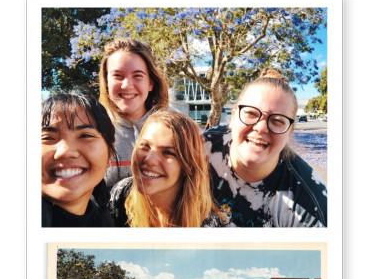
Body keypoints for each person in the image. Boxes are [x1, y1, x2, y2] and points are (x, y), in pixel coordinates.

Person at [204, 68, 327, 227]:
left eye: (277, 120)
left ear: (290, 132)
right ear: (233, 117)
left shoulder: (309, 205)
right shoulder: (201, 147)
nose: (261, 128)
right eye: (251, 114)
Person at [109, 111, 224, 227]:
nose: (150, 159)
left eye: (168, 152)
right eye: (145, 146)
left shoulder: (208, 225)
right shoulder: (120, 195)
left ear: (188, 165)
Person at [99, 37, 169, 188]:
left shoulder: (174, 127)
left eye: (137, 75)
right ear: (106, 82)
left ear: (150, 83)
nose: (127, 85)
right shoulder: (93, 130)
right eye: (117, 75)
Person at [41, 89, 116, 227]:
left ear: (110, 155)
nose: (65, 152)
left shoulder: (105, 222)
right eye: (47, 138)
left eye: (85, 136)